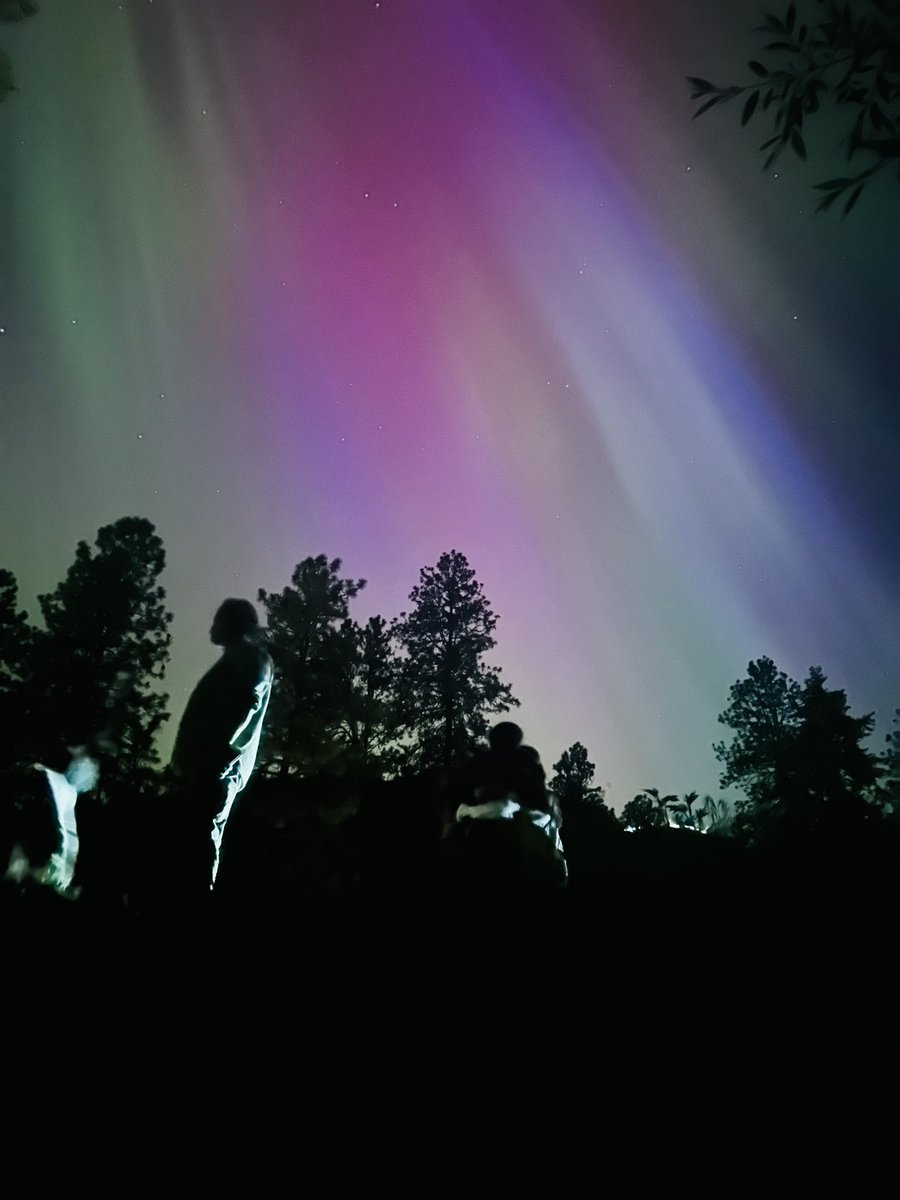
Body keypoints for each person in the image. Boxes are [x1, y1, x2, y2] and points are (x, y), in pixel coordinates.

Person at [169, 598, 273, 897]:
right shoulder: (240, 657)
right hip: (206, 768)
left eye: (218, 618)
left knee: (200, 844)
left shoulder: (249, 657)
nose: (212, 625)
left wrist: (218, 754)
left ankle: (196, 910)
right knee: (193, 844)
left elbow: (247, 703)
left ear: (232, 622)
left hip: (213, 770)